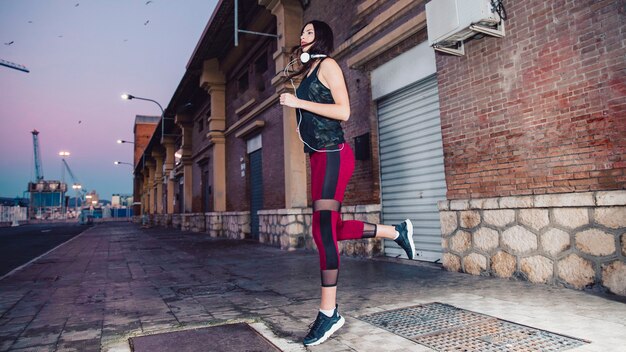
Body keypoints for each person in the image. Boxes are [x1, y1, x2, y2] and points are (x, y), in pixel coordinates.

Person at [279, 20, 416, 346]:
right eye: (302, 33)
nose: (302, 36)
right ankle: (396, 232)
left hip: (334, 153)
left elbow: (343, 111)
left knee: (323, 230)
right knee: (328, 228)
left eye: (309, 32)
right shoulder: (309, 71)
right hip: (318, 157)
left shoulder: (329, 65)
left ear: (322, 37)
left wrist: (297, 102)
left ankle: (329, 313)